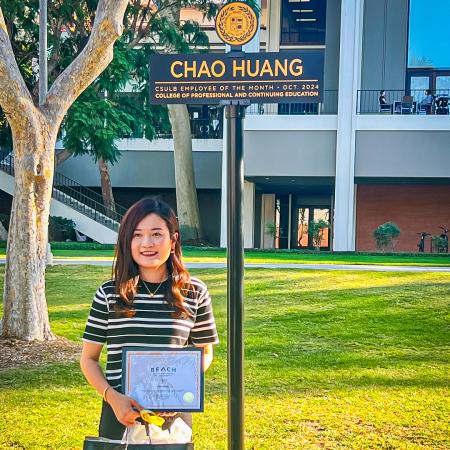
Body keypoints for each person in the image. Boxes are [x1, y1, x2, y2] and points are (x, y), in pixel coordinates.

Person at [80, 197, 219, 440]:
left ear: (173, 240)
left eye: (156, 234)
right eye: (137, 235)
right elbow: (89, 359)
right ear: (127, 240)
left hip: (174, 416)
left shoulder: (194, 291)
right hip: (119, 414)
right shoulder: (109, 293)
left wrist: (179, 391)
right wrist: (113, 398)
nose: (147, 243)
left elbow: (204, 352)